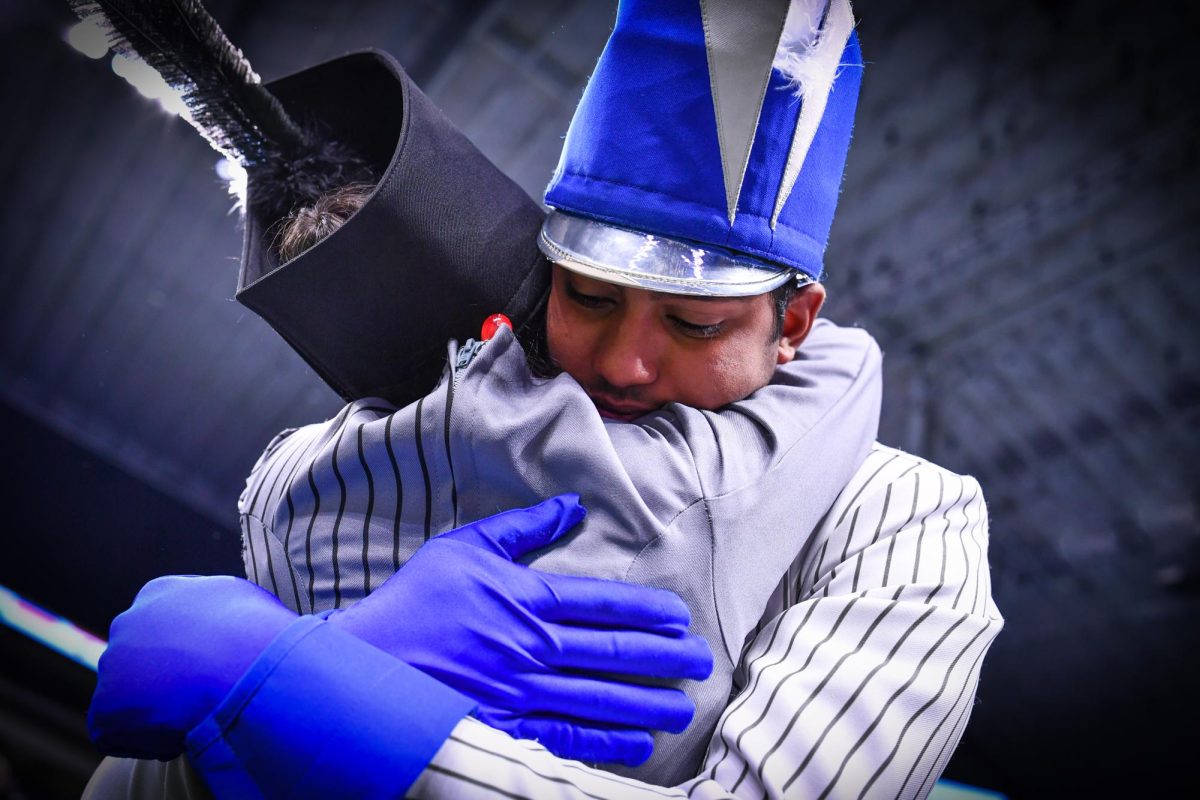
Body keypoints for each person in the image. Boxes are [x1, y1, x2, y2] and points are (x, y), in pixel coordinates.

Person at [85, 0, 1002, 797]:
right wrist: (276, 691)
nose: (623, 365)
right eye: (590, 298)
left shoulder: (903, 519)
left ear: (793, 322)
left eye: (694, 327)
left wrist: (315, 691)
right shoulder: (371, 447)